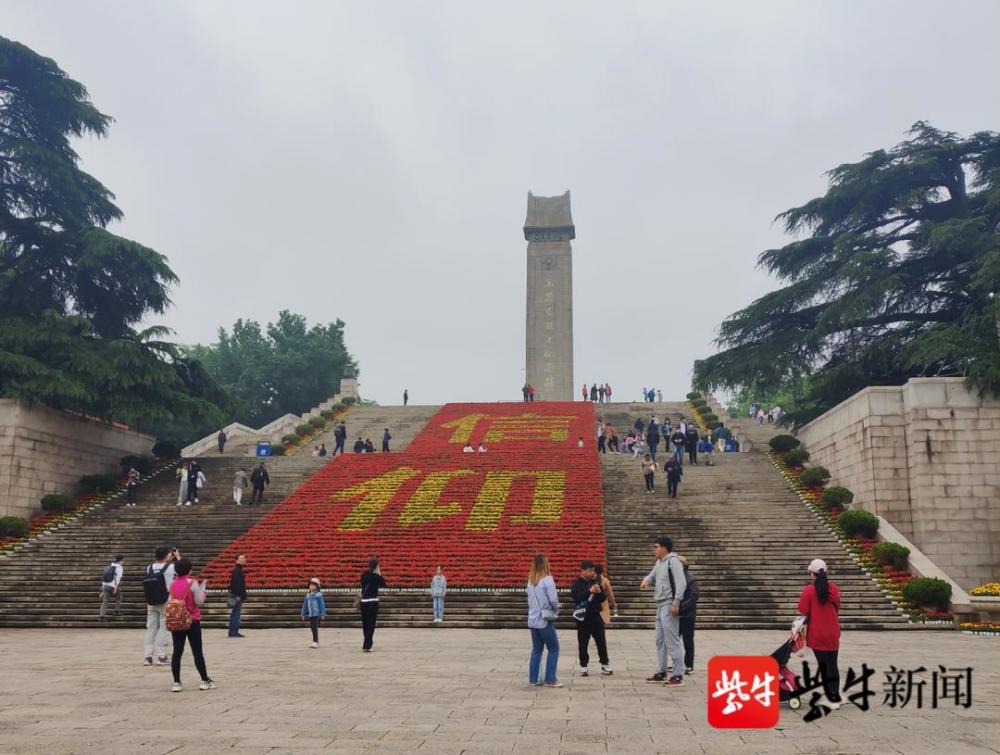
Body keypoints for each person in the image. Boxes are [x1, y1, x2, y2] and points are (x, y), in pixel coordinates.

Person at [641, 536, 687, 686]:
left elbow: (681, 583)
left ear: (664, 548)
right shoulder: (659, 562)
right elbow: (652, 575)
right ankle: (661, 671)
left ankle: (678, 675)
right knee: (660, 640)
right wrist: (647, 580)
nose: (654, 550)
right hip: (661, 604)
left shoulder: (673, 562)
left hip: (669, 604)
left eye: (656, 547)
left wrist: (676, 603)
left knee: (672, 640)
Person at [797, 559, 843, 709]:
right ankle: (835, 695)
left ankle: (832, 698)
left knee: (824, 666)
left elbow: (803, 609)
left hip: (817, 633)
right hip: (833, 632)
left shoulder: (810, 590)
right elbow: (837, 606)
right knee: (833, 665)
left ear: (812, 573)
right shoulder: (833, 589)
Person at [167, 558, 215, 692]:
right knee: (197, 652)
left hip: (177, 620)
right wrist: (203, 590)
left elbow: (171, 601)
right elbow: (199, 602)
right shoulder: (192, 582)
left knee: (177, 652)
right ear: (189, 570)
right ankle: (204, 680)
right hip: (192, 619)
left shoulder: (172, 584)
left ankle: (176, 682)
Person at [571, 561, 612, 677]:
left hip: (595, 615)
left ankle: (604, 664)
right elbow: (576, 597)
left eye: (592, 571)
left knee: (601, 641)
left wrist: (599, 592)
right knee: (583, 643)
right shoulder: (577, 584)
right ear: (582, 570)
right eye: (589, 570)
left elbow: (603, 598)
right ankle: (584, 666)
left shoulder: (595, 582)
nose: (591, 573)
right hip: (583, 618)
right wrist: (589, 591)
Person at [527, 554, 561, 687]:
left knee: (536, 650)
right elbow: (553, 600)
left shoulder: (531, 581)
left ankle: (533, 679)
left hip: (533, 619)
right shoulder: (548, 579)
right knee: (554, 648)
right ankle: (550, 678)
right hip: (544, 619)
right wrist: (557, 608)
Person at [143, 546, 177, 665]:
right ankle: (161, 656)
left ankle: (147, 657)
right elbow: (182, 569)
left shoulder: (149, 567)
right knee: (163, 627)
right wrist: (177, 557)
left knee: (150, 628)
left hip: (151, 601)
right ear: (167, 555)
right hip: (165, 600)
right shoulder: (171, 567)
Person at [677, 556, 699, 675]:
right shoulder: (675, 579)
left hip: (687, 615)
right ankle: (677, 663)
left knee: (687, 640)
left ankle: (689, 664)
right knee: (674, 640)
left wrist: (680, 607)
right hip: (676, 615)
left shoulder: (691, 580)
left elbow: (693, 597)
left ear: (683, 565)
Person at [360, 558, 386, 652]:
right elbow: (383, 584)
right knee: (371, 624)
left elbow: (362, 585)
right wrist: (379, 573)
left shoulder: (364, 575)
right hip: (373, 601)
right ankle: (367, 645)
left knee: (365, 624)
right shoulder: (376, 576)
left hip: (363, 602)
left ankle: (366, 642)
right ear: (376, 566)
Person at [301, 577, 326, 648]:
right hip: (311, 614)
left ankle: (315, 642)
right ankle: (315, 641)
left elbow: (322, 605)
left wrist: (323, 614)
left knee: (314, 627)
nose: (311, 586)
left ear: (317, 587)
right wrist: (303, 613)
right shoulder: (308, 596)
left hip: (317, 614)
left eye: (313, 585)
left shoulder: (319, 595)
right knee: (312, 628)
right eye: (310, 585)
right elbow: (305, 605)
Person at [227, 554, 248, 638]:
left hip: (238, 595)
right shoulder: (237, 570)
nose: (244, 560)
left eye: (244, 558)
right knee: (236, 614)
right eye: (242, 558)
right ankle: (233, 632)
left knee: (235, 614)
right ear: (237, 560)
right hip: (237, 596)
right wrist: (237, 595)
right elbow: (235, 583)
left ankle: (233, 631)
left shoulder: (238, 569)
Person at [99, 554, 125, 622]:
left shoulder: (110, 566)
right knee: (119, 597)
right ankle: (116, 611)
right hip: (112, 586)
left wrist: (103, 591)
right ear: (121, 560)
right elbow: (118, 578)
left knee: (105, 601)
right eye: (123, 560)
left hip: (105, 586)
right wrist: (116, 588)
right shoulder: (119, 567)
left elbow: (104, 577)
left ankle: (101, 617)